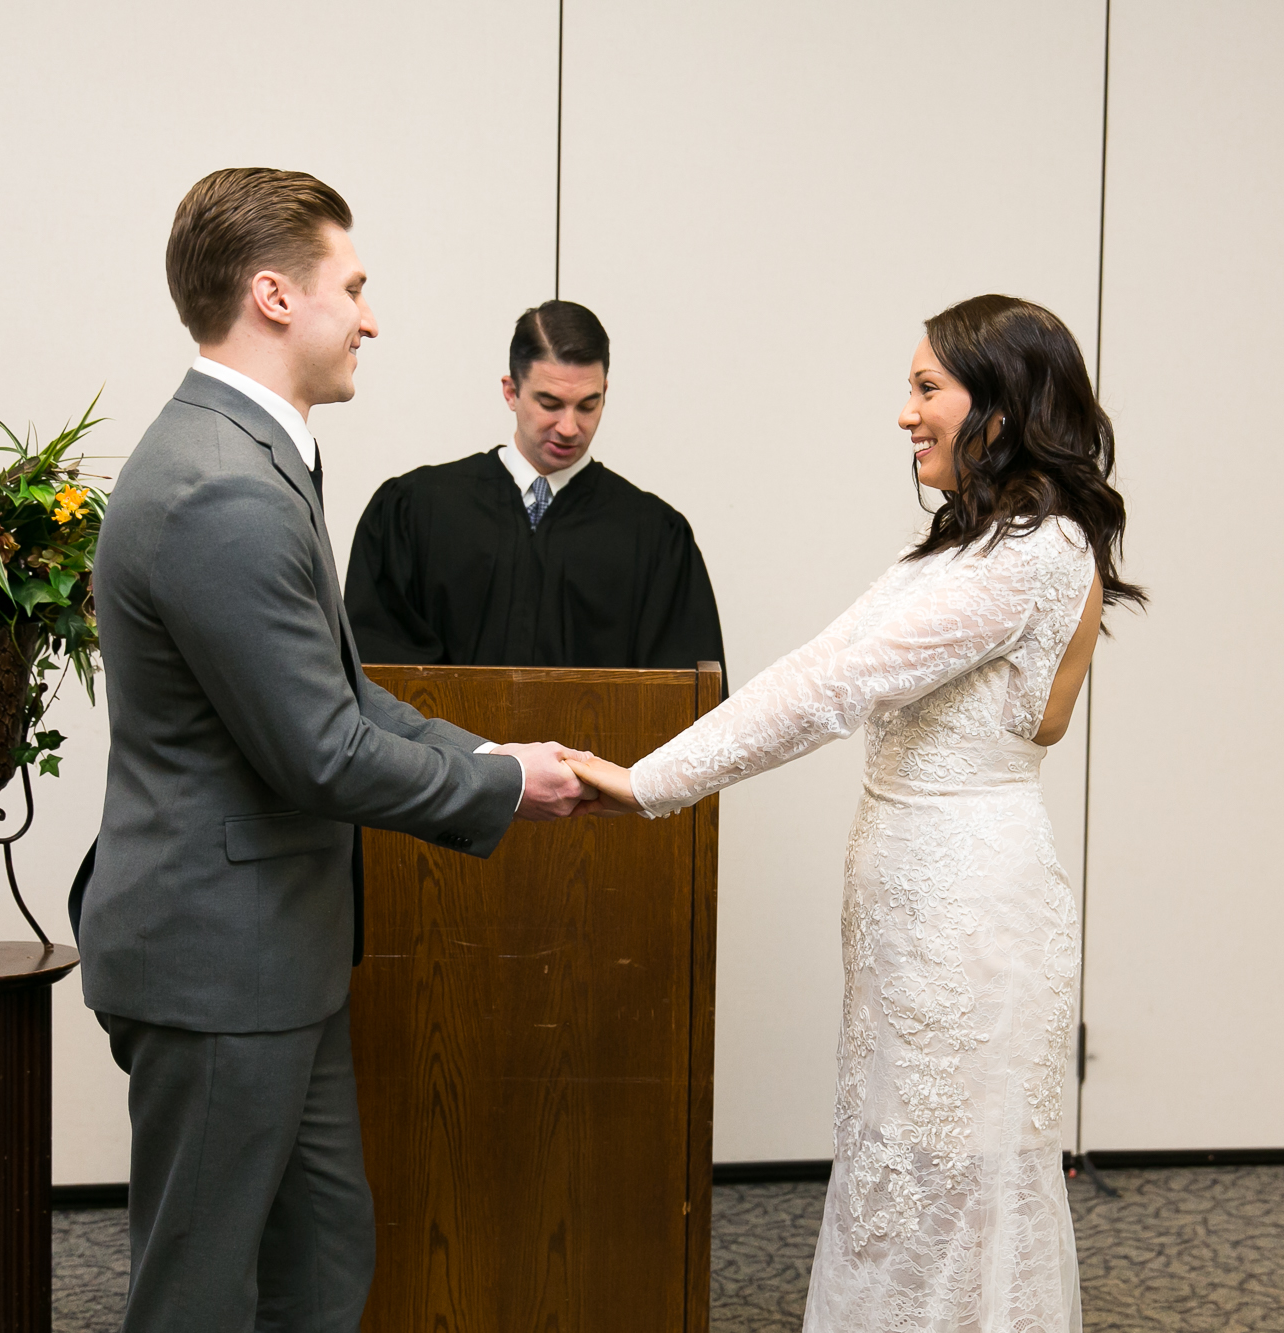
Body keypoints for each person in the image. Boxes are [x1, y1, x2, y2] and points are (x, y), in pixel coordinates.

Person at [77, 168, 594, 1333]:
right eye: (351, 287)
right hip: (219, 965)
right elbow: (317, 752)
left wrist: (491, 748)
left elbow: (345, 693)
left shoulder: (253, 456)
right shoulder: (222, 485)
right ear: (272, 295)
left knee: (321, 1257)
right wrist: (506, 784)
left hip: (275, 958)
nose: (370, 316)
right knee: (200, 1293)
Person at [570, 295, 1144, 1331]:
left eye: (927, 388)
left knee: (949, 1180)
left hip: (966, 909)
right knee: (901, 1169)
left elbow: (832, 688)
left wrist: (651, 782)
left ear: (1001, 410)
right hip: (913, 897)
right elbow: (843, 664)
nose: (904, 413)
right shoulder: (971, 544)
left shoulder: (1030, 556)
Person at [344, 300, 726, 683]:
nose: (569, 427)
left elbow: (684, 706)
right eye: (550, 403)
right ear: (511, 392)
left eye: (588, 405)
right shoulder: (416, 511)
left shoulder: (655, 537)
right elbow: (381, 675)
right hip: (448, 745)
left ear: (605, 392)